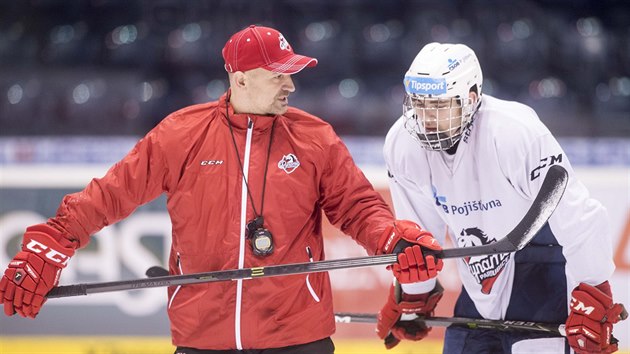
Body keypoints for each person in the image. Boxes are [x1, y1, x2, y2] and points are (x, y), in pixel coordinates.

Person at [0, 25, 444, 353]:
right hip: (202, 337)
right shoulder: (181, 134)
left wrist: (391, 238)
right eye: (278, 75)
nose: (291, 85)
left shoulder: (315, 137)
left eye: (292, 75)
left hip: (297, 337)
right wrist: (54, 240)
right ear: (242, 78)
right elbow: (110, 194)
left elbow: (358, 206)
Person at [377, 42, 627, 354]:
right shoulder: (402, 143)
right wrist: (415, 295)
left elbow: (577, 215)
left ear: (469, 98)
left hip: (540, 268)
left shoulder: (514, 132)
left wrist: (593, 290)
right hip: (479, 281)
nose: (426, 116)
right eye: (419, 103)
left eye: (438, 106)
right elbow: (419, 239)